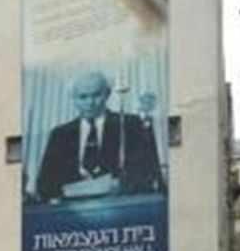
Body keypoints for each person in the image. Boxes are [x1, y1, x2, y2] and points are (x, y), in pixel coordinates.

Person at [35, 71, 163, 202]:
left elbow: (147, 172)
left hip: (120, 208)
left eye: (96, 95)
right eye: (83, 97)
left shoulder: (130, 125)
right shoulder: (60, 135)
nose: (90, 103)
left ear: (107, 94)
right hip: (73, 212)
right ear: (73, 98)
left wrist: (122, 185)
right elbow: (44, 185)